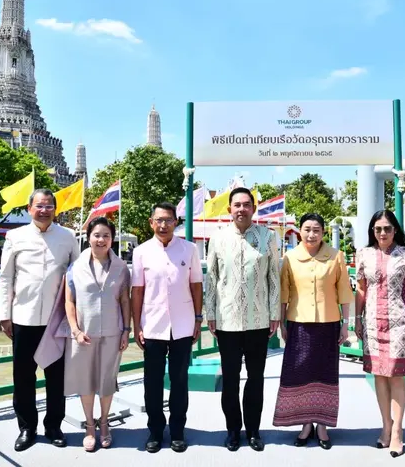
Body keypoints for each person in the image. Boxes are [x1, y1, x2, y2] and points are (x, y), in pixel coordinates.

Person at [0, 189, 81, 452]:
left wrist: (76, 317)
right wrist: (5, 314)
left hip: (56, 320)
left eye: (49, 206)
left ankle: (54, 426)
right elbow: (5, 278)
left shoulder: (68, 237)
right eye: (39, 206)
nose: (44, 211)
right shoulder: (15, 236)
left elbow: (76, 277)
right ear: (29, 207)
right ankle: (27, 427)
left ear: (56, 209)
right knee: (23, 377)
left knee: (56, 377)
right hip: (23, 316)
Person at [205, 187, 280, 452]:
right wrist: (210, 314)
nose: (241, 209)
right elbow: (211, 279)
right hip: (227, 322)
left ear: (254, 208)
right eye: (236, 205)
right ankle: (233, 431)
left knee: (256, 379)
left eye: (246, 204)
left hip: (259, 321)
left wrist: (274, 314)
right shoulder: (218, 238)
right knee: (230, 380)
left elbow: (274, 277)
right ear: (229, 209)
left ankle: (254, 431)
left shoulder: (268, 236)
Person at [273, 213, 353, 449]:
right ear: (299, 231)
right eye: (307, 229)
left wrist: (346, 324)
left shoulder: (336, 257)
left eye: (316, 229)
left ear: (323, 232)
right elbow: (284, 294)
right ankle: (305, 423)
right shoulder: (289, 258)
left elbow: (344, 294)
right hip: (298, 325)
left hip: (329, 324)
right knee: (301, 374)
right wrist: (282, 324)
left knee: (325, 374)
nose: (311, 234)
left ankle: (322, 424)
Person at [131, 202, 203, 454]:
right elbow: (137, 291)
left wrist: (197, 318)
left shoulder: (189, 249)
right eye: (159, 220)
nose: (163, 225)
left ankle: (178, 431)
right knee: (151, 382)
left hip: (183, 324)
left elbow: (196, 285)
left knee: (180, 380)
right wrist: (136, 324)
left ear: (176, 222)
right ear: (151, 222)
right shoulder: (141, 252)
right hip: (152, 325)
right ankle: (154, 430)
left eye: (169, 220)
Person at [354, 209, 405, 458]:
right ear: (372, 231)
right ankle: (386, 425)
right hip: (372, 321)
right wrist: (356, 321)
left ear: (395, 230)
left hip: (399, 321)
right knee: (379, 375)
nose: (382, 233)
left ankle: (398, 431)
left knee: (395, 375)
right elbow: (361, 289)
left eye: (387, 228)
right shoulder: (363, 254)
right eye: (378, 229)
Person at [62, 217, 131, 452]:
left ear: (112, 239)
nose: (101, 240)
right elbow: (69, 301)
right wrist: (75, 330)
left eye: (106, 235)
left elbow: (125, 300)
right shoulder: (75, 267)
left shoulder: (121, 267)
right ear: (88, 237)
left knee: (107, 381)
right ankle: (89, 426)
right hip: (84, 334)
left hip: (113, 333)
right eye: (97, 235)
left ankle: (105, 423)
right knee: (86, 381)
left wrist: (126, 330)